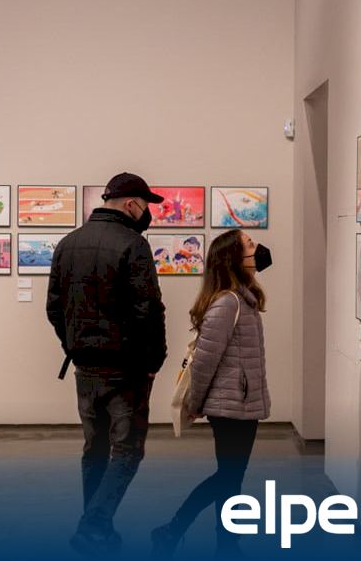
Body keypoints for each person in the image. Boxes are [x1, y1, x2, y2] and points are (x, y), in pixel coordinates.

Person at [46, 172, 168, 556]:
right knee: (128, 450)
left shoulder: (68, 243)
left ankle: (98, 529)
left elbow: (54, 308)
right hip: (126, 368)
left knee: (95, 448)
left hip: (85, 367)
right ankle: (93, 525)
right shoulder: (133, 244)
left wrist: (75, 345)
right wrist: (154, 360)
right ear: (131, 204)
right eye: (145, 206)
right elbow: (149, 310)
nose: (147, 213)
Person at [152, 229, 272, 559]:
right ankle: (173, 530)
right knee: (228, 477)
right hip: (230, 406)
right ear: (234, 258)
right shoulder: (227, 302)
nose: (258, 248)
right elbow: (205, 360)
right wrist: (195, 403)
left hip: (240, 403)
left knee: (231, 479)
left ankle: (226, 543)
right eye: (250, 244)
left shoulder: (243, 298)